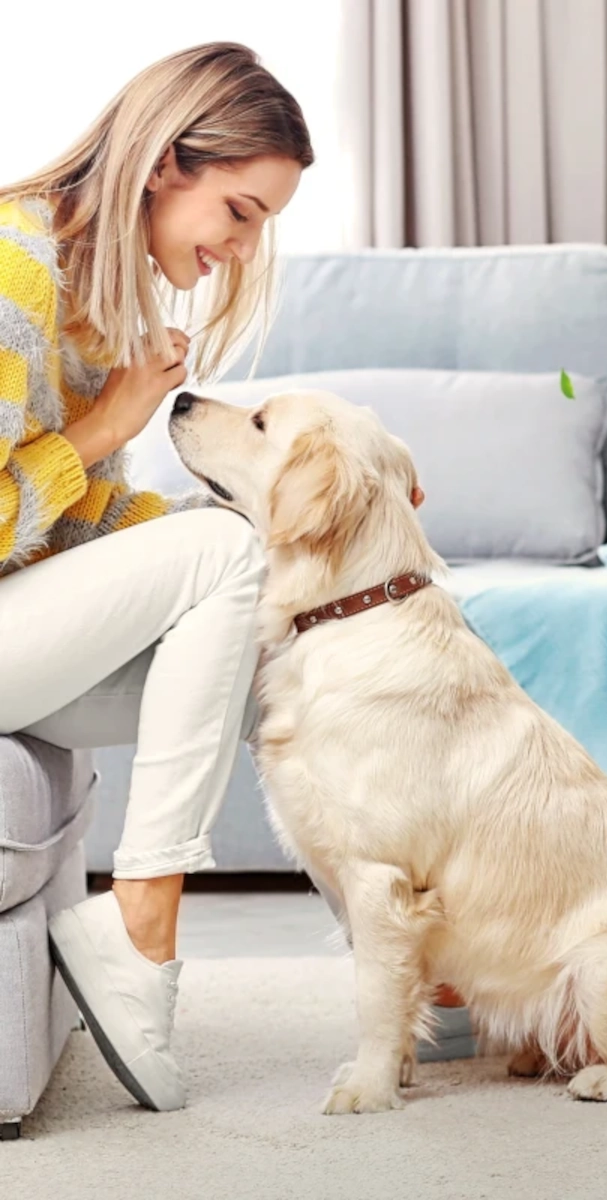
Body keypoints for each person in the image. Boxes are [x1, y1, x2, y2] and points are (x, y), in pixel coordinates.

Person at [0, 42, 315, 1114]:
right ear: (167, 163)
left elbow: (79, 547)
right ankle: (141, 931)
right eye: (240, 210)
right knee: (227, 554)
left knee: (288, 647)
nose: (238, 247)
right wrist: (106, 426)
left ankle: (446, 954)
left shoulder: (93, 303)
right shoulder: (12, 266)